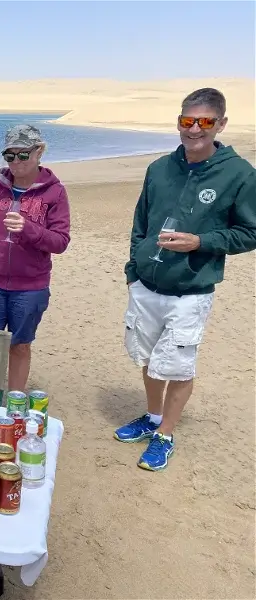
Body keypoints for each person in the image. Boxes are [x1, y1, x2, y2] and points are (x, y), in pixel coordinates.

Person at [115, 87, 256, 471]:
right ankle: (152, 416)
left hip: (191, 292)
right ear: (178, 121)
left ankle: (165, 434)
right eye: (187, 121)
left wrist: (201, 241)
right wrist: (133, 271)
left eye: (205, 122)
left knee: (177, 364)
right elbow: (140, 223)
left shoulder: (239, 174)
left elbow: (250, 231)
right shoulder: (159, 168)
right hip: (146, 285)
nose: (194, 129)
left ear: (221, 124)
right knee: (147, 357)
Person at [0, 124, 71, 404]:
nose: (16, 162)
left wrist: (29, 229)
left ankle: (15, 400)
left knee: (19, 345)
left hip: (30, 287)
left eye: (23, 155)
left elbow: (60, 242)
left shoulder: (54, 193)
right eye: (10, 156)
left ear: (39, 151)